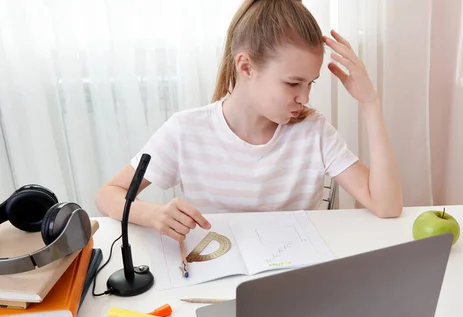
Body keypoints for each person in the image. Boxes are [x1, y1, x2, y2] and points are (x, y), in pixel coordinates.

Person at [95, 0, 403, 242]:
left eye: (311, 83)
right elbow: (108, 193)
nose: (305, 97)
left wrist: (370, 103)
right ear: (245, 66)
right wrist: (153, 215)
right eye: (293, 83)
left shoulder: (314, 132)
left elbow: (387, 206)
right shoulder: (186, 131)